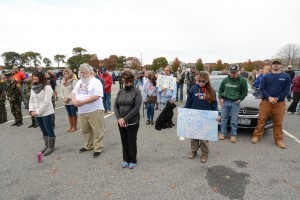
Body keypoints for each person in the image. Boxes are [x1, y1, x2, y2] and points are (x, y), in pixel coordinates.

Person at [251, 60, 291, 148]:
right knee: (261, 120)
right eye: (274, 64)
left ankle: (278, 139)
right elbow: (262, 88)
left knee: (278, 122)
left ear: (281, 65)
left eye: (278, 64)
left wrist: (277, 98)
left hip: (279, 103)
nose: (276, 65)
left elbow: (286, 90)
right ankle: (256, 136)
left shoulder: (286, 76)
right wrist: (269, 97)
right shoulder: (266, 76)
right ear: (272, 66)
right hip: (266, 102)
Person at [184, 72, 220, 163]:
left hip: (206, 118)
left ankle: (204, 154)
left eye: (202, 81)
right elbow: (188, 103)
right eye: (198, 81)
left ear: (207, 80)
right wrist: (183, 112)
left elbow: (214, 106)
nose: (200, 83)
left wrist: (218, 114)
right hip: (195, 117)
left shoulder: (211, 91)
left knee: (204, 138)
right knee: (194, 137)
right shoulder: (193, 89)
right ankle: (193, 151)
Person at [72, 63, 105, 158]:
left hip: (95, 110)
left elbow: (97, 95)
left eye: (84, 73)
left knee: (97, 130)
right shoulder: (79, 82)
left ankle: (98, 148)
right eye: (81, 72)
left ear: (90, 73)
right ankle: (88, 146)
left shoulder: (96, 82)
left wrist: (82, 102)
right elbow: (73, 93)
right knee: (86, 130)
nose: (82, 74)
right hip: (82, 111)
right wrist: (74, 101)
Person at [114, 70, 142, 169]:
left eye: (127, 81)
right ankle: (126, 159)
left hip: (132, 121)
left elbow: (136, 108)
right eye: (123, 81)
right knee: (124, 140)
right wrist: (119, 118)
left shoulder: (137, 92)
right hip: (120, 121)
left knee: (131, 141)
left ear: (131, 80)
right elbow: (115, 106)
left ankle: (133, 159)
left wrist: (125, 119)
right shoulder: (120, 91)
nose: (125, 83)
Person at [218, 64, 248, 143]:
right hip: (225, 101)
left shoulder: (242, 80)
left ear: (237, 72)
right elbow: (220, 90)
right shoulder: (225, 80)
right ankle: (223, 133)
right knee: (223, 119)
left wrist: (240, 99)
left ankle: (233, 135)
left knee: (234, 120)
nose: (232, 74)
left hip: (235, 102)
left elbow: (245, 91)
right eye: (231, 72)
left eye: (234, 72)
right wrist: (220, 98)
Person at [29, 71, 56, 156]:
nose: (34, 77)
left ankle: (51, 147)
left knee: (49, 129)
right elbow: (31, 100)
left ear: (40, 77)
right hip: (37, 113)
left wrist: (37, 112)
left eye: (36, 76)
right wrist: (32, 110)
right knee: (43, 130)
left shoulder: (47, 87)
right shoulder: (33, 87)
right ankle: (46, 145)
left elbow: (46, 101)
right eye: (33, 76)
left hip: (46, 112)